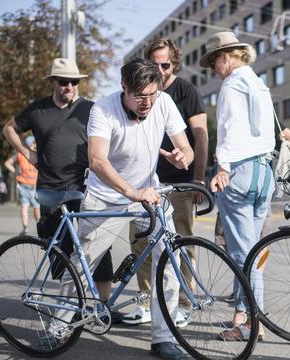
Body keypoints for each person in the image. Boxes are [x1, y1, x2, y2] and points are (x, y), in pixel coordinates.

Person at [55, 58, 193, 359]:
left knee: (169, 259)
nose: (147, 102)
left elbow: (186, 145)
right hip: (106, 195)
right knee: (81, 265)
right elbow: (97, 160)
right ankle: (58, 327)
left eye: (152, 95)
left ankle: (163, 338)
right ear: (124, 88)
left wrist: (183, 155)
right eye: (140, 96)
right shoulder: (103, 110)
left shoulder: (164, 102)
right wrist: (131, 191)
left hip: (149, 193)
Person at [2, 58, 115, 310]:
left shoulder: (90, 109)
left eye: (74, 82)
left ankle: (102, 306)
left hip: (85, 187)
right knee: (59, 251)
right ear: (53, 82)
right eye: (63, 82)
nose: (69, 86)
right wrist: (26, 154)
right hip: (49, 190)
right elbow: (9, 129)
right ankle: (69, 306)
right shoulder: (37, 109)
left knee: (99, 245)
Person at [122, 38, 208, 326]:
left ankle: (184, 304)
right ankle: (146, 302)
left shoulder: (185, 91)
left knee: (180, 245)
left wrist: (198, 178)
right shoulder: (139, 92)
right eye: (154, 63)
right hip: (145, 184)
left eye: (165, 64)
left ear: (175, 63)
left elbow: (201, 137)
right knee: (141, 244)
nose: (159, 69)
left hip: (180, 183)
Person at [200, 31, 273, 341]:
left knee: (244, 254)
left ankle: (250, 324)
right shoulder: (259, 84)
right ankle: (244, 317)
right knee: (251, 251)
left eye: (215, 62)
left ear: (226, 58)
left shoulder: (231, 85)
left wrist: (222, 167)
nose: (215, 69)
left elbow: (229, 130)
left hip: (239, 171)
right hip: (264, 170)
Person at [4, 135, 41, 235]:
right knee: (27, 207)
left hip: (35, 185)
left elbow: (7, 163)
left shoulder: (26, 154)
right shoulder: (29, 154)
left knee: (36, 208)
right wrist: (15, 172)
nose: (35, 144)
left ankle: (38, 226)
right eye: (33, 143)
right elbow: (7, 163)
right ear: (29, 144)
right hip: (26, 185)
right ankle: (27, 228)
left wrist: (15, 172)